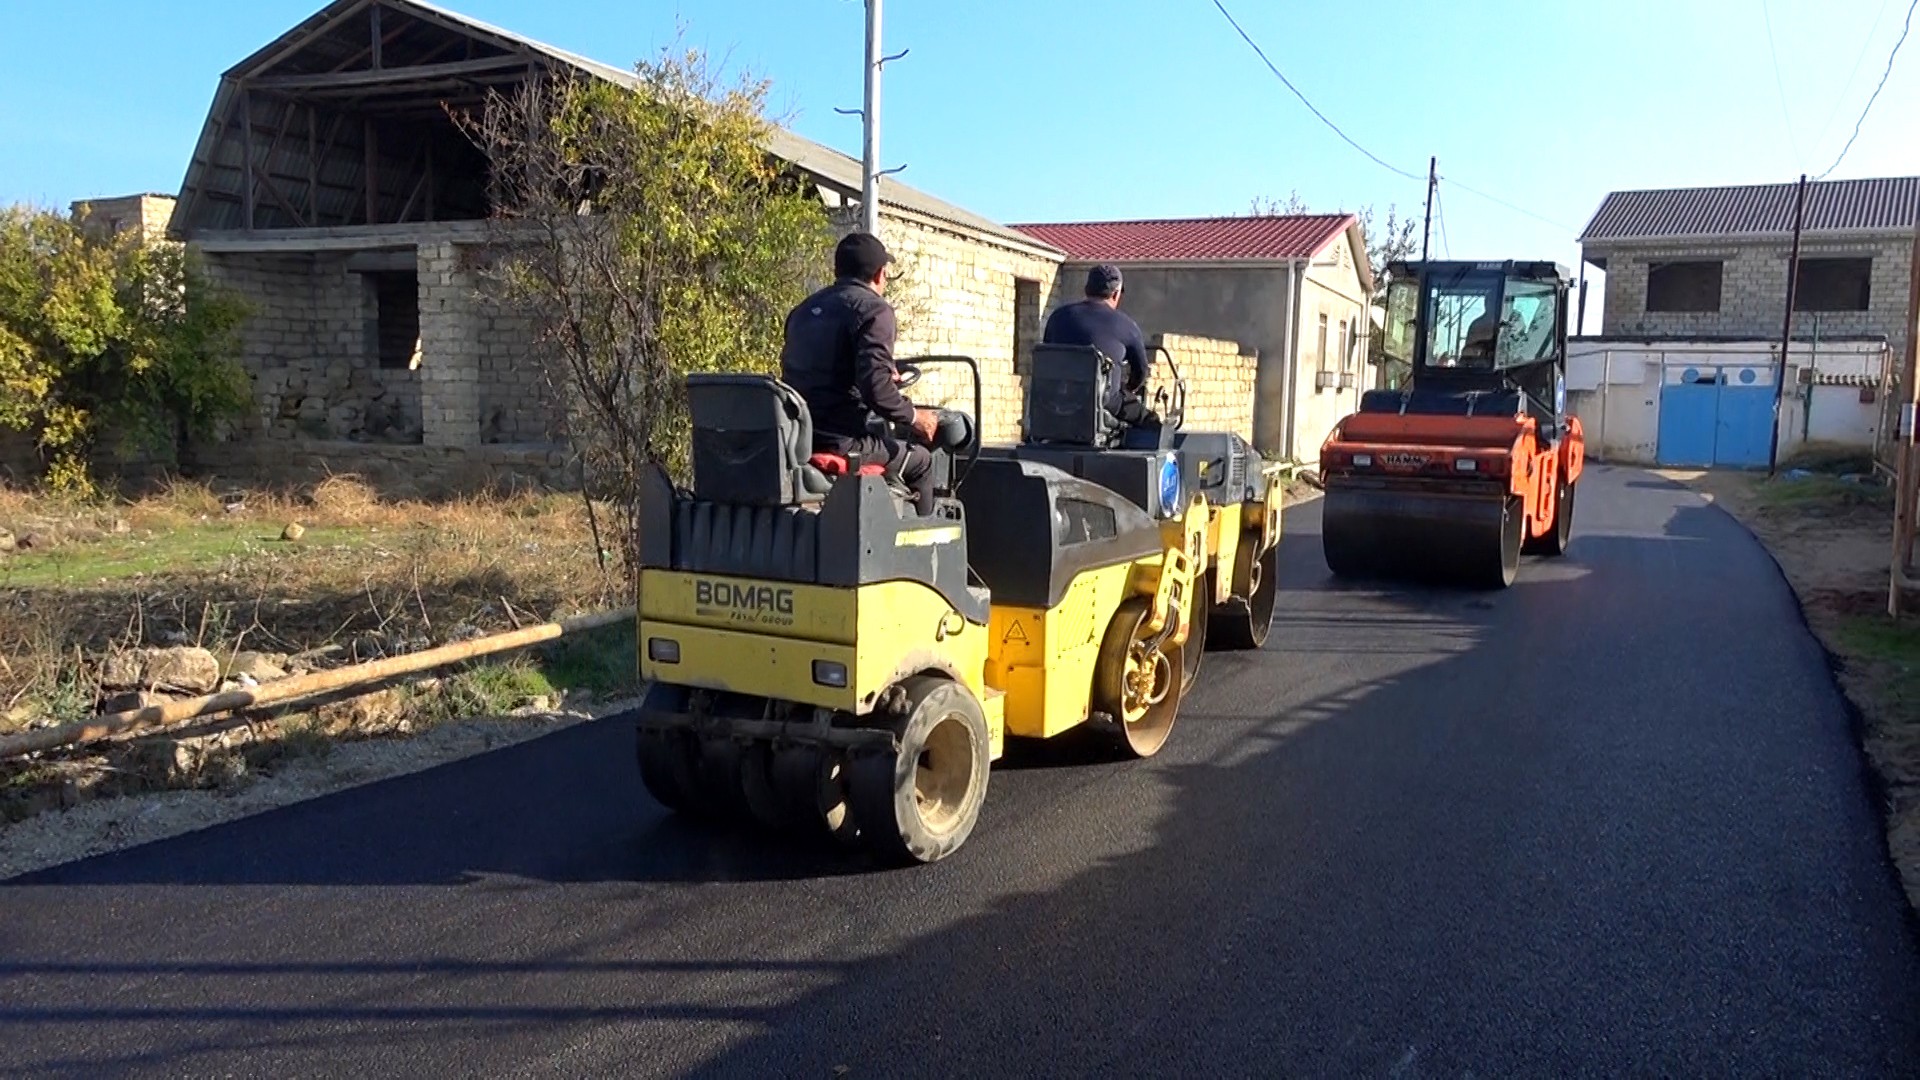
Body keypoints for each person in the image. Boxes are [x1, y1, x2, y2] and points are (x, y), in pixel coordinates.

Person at [780, 231, 941, 515]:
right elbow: (876, 389)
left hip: (797, 438)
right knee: (923, 462)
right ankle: (925, 551)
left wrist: (876, 377)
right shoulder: (875, 311)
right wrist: (917, 418)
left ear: (836, 270)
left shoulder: (802, 310)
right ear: (880, 275)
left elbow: (825, 368)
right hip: (842, 443)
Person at [1042, 264, 1154, 425]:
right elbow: (1141, 372)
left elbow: (1047, 358)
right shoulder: (1127, 326)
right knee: (1151, 421)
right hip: (1105, 403)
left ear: (1087, 289)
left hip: (1056, 402)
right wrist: (1128, 389)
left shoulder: (1057, 317)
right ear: (1116, 294)